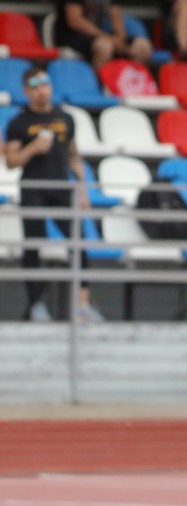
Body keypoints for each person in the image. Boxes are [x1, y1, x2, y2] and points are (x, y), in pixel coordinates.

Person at [4, 70, 105, 323]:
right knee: (33, 246)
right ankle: (36, 305)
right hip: (33, 188)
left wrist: (83, 190)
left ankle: (83, 305)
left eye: (45, 83)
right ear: (26, 91)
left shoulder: (65, 118)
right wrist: (32, 148)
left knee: (78, 241)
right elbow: (12, 161)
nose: (42, 90)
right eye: (35, 85)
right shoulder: (19, 122)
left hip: (61, 187)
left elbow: (74, 156)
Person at [54, 0, 151, 68]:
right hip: (72, 37)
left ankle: (132, 84)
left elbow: (116, 18)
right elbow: (75, 21)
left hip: (99, 36)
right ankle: (99, 87)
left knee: (142, 47)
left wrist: (120, 39)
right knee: (104, 47)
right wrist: (108, 38)